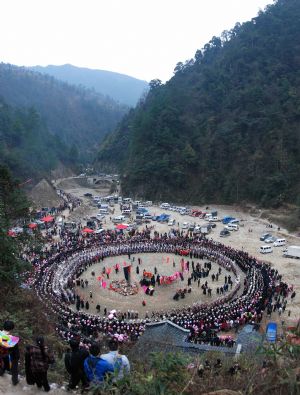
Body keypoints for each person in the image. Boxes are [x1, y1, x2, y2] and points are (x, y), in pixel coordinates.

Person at [0, 320, 20, 385]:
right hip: (8, 355)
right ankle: (15, 380)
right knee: (14, 365)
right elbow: (16, 352)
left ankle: (1, 372)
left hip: (1, 355)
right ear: (12, 328)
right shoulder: (13, 339)